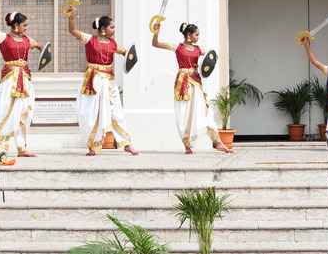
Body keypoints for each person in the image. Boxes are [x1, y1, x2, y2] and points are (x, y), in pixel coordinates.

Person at [151, 19, 231, 155]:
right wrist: (156, 32)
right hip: (183, 84)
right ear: (189, 35)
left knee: (205, 111)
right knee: (183, 113)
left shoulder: (199, 49)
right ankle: (187, 144)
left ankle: (217, 141)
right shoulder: (178, 47)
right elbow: (155, 44)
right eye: (196, 34)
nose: (198, 37)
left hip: (196, 82)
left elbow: (211, 57)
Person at [66, 8, 138, 156]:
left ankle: (126, 143)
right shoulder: (90, 39)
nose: (114, 29)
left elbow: (126, 53)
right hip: (94, 81)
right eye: (112, 27)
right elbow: (72, 31)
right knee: (91, 112)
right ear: (103, 29)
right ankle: (93, 145)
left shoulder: (112, 43)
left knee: (117, 112)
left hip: (109, 82)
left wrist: (130, 55)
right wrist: (71, 17)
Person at [0, 0, 42, 158]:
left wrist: (42, 50)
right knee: (5, 110)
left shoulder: (27, 39)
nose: (26, 28)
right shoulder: (3, 37)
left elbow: (40, 46)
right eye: (24, 25)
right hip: (10, 81)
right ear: (15, 25)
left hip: (25, 81)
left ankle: (22, 148)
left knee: (24, 113)